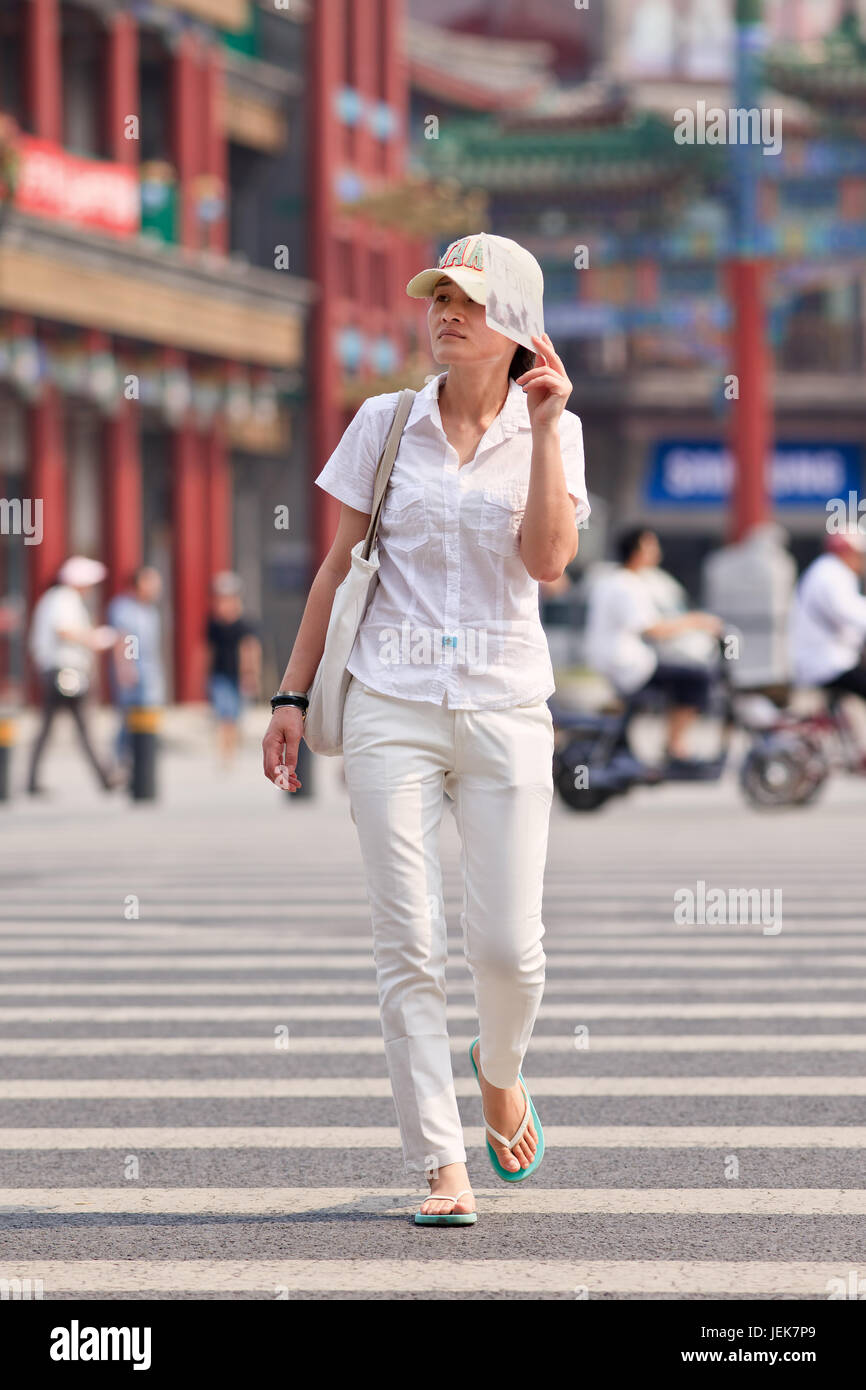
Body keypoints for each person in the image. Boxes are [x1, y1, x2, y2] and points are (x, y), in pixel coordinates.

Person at [262, 232, 590, 1225]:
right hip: (389, 703)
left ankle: (499, 1069)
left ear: (518, 326)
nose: (445, 311)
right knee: (407, 942)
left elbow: (546, 564)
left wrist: (539, 432)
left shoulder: (555, 432)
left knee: (507, 950)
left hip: (502, 705)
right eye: (437, 295)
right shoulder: (384, 421)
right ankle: (441, 1161)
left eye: (469, 300)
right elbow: (335, 568)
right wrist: (289, 694)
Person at [584, 527, 724, 764]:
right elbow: (653, 629)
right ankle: (676, 746)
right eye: (651, 546)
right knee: (697, 678)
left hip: (615, 660)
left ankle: (669, 743)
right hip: (627, 665)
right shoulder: (627, 585)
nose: (657, 552)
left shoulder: (614, 580)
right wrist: (697, 622)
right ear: (638, 550)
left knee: (681, 676)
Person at [26, 555, 119, 795]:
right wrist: (94, 638)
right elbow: (64, 630)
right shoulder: (63, 598)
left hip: (60, 670)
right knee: (81, 723)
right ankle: (105, 775)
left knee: (53, 727)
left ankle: (33, 780)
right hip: (64, 671)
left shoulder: (59, 598)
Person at [788, 529, 866, 747]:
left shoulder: (829, 571)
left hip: (830, 657)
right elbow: (851, 613)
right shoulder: (831, 575)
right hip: (825, 662)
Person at [107, 566, 166, 769]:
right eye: (152, 583)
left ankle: (144, 759)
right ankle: (123, 759)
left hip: (150, 673)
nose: (157, 588)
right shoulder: (124, 608)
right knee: (129, 719)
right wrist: (126, 667)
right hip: (133, 673)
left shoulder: (149, 610)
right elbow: (124, 639)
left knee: (149, 716)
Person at [206, 572, 261, 765]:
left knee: (235, 715)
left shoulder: (245, 623)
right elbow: (208, 650)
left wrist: (251, 674)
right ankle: (225, 753)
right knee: (224, 715)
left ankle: (232, 749)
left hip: (238, 675)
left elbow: (250, 649)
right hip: (219, 674)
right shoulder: (214, 624)